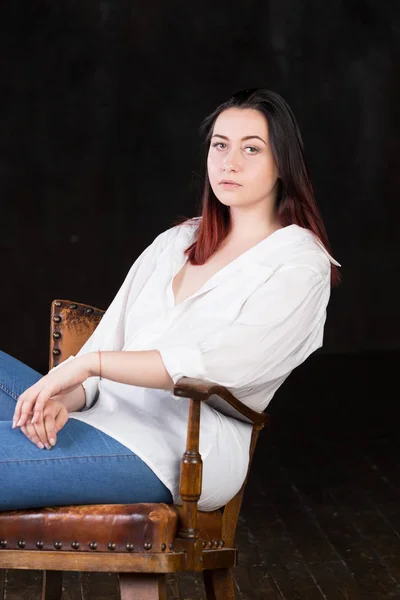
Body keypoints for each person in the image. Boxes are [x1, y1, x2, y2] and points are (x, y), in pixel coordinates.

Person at [0, 88, 340, 512]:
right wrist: (59, 401)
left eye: (252, 149)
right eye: (220, 145)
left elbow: (220, 367)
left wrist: (86, 364)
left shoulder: (298, 263)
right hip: (94, 418)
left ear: (283, 165)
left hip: (176, 447)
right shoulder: (177, 242)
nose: (229, 162)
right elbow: (103, 352)